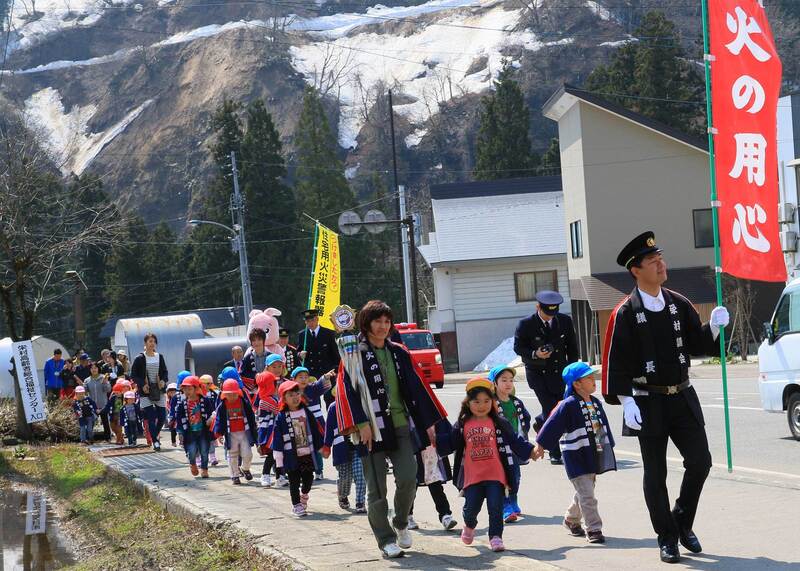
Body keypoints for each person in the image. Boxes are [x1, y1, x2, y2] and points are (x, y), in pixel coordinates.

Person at [602, 231, 729, 563]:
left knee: (701, 461)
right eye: (652, 261)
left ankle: (682, 521)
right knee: (655, 473)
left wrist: (714, 327)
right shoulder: (626, 312)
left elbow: (697, 346)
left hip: (682, 396)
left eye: (661, 259)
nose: (661, 265)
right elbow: (615, 360)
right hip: (648, 401)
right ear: (636, 270)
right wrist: (626, 400)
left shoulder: (678, 303)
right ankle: (667, 536)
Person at [335, 300, 447, 558]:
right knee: (377, 488)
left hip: (399, 424)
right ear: (366, 323)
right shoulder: (354, 354)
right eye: (378, 321)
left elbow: (418, 388)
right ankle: (385, 539)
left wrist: (428, 423)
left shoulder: (399, 352)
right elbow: (346, 389)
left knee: (409, 477)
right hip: (371, 428)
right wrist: (360, 423)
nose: (383, 327)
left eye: (387, 321)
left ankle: (400, 521)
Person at [437, 378, 537, 552]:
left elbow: (515, 440)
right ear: (468, 403)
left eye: (486, 401)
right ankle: (469, 525)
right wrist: (434, 440)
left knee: (495, 507)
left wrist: (531, 451)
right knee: (471, 508)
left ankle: (496, 537)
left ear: (493, 402)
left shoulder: (499, 422)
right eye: (476, 401)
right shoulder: (462, 424)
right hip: (473, 476)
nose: (482, 405)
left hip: (496, 475)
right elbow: (450, 443)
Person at [535, 362, 616, 544]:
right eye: (588, 378)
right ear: (576, 384)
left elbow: (602, 427)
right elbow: (551, 425)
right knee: (587, 494)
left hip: (593, 452)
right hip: (575, 455)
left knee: (585, 491)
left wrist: (608, 445)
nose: (593, 380)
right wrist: (540, 445)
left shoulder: (595, 402)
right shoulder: (568, 404)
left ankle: (571, 520)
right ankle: (594, 529)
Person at [513, 290, 579, 464]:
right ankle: (555, 452)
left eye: (553, 313)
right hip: (538, 374)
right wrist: (535, 354)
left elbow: (572, 348)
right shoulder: (526, 324)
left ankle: (541, 422)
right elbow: (518, 347)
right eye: (547, 313)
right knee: (552, 410)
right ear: (538, 307)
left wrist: (573, 372)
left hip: (560, 373)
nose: (550, 317)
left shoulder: (564, 321)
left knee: (560, 407)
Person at [272, 380, 325, 517]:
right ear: (283, 398)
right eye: (290, 395)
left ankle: (304, 495)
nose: (295, 397)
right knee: (294, 482)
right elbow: (277, 438)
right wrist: (278, 458)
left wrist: (321, 447)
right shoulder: (282, 417)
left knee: (308, 479)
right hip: (291, 456)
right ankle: (296, 505)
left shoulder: (305, 411)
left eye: (297, 393)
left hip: (307, 453)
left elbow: (315, 429)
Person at [488, 364, 531, 523]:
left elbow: (525, 418)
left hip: (514, 445)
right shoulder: (491, 403)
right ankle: (505, 506)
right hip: (497, 447)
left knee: (516, 476)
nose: (508, 383)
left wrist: (522, 434)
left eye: (511, 380)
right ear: (494, 383)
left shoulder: (516, 402)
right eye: (503, 380)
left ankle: (513, 500)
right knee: (502, 476)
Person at [322, 387, 366, 513]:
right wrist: (326, 446)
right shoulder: (333, 408)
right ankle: (343, 495)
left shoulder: (358, 405)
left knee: (360, 475)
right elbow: (329, 429)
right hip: (341, 449)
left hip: (358, 446)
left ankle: (360, 502)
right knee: (345, 477)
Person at [408, 418, 457, 532]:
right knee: (410, 486)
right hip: (412, 447)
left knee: (435, 484)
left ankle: (445, 515)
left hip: (430, 448)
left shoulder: (429, 402)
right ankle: (406, 516)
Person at [290, 365, 332, 480]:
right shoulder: (291, 391)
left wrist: (325, 377)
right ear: (294, 379)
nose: (304, 379)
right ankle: (306, 471)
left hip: (316, 422)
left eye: (305, 377)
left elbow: (320, 385)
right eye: (300, 377)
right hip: (300, 423)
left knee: (317, 447)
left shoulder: (312, 388)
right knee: (303, 448)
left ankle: (319, 470)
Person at [213, 378, 258, 485]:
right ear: (224, 394)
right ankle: (235, 476)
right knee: (232, 455)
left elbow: (251, 417)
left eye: (234, 394)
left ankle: (245, 468)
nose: (232, 396)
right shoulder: (222, 406)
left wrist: (254, 431)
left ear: (238, 392)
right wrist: (218, 433)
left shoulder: (244, 403)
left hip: (244, 433)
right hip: (230, 434)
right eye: (229, 394)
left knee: (248, 454)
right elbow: (219, 420)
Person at [130, 333, 169, 451]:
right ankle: (156, 441)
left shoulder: (159, 356)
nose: (152, 343)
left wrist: (163, 380)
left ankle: (154, 435)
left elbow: (165, 372)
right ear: (145, 343)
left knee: (162, 416)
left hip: (158, 390)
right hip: (146, 391)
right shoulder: (139, 358)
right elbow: (133, 375)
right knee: (151, 417)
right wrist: (142, 384)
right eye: (150, 341)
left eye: (154, 341)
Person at [297, 309, 340, 405]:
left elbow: (335, 354)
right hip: (311, 372)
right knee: (313, 400)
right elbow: (298, 352)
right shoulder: (302, 335)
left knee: (330, 399)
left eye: (312, 320)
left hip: (327, 371)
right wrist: (300, 354)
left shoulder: (328, 333)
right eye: (307, 321)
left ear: (317, 319)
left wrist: (337, 370)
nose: (310, 323)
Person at [175, 376, 214, 478]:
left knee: (204, 451)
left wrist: (210, 420)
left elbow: (212, 412)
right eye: (184, 389)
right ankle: (193, 464)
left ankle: (204, 469)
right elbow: (179, 419)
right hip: (189, 432)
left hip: (203, 431)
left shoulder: (205, 401)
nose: (187, 391)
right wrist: (180, 433)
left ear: (196, 389)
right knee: (191, 451)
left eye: (189, 389)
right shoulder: (182, 404)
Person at [254, 371, 281, 488]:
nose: (276, 385)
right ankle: (265, 475)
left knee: (279, 454)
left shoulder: (268, 397)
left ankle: (281, 477)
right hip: (269, 432)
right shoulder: (266, 400)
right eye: (274, 383)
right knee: (273, 454)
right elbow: (278, 410)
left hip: (273, 431)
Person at [83, 362, 112, 442]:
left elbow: (108, 390)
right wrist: (83, 386)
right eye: (92, 368)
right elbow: (85, 392)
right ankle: (90, 438)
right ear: (90, 369)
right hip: (92, 406)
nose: (94, 369)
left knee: (105, 422)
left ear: (98, 368)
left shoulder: (103, 377)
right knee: (91, 422)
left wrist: (105, 382)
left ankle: (108, 438)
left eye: (95, 368)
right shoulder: (87, 380)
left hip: (103, 404)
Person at [241, 329, 270, 402]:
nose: (256, 343)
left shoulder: (271, 356)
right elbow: (243, 374)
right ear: (251, 342)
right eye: (254, 340)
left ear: (264, 340)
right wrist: (256, 376)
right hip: (254, 392)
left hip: (270, 390)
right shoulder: (247, 358)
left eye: (259, 339)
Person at [200, 374, 221, 466]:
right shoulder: (198, 395)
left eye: (211, 383)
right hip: (199, 421)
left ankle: (212, 457)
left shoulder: (214, 394)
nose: (210, 385)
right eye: (208, 383)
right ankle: (200, 458)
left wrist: (215, 416)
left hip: (211, 419)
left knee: (211, 439)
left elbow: (217, 405)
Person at [166, 383, 179, 447]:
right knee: (173, 430)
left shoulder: (178, 398)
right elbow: (169, 408)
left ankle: (182, 441)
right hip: (171, 416)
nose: (172, 393)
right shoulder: (168, 400)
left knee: (181, 429)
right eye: (170, 391)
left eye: (174, 391)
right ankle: (173, 441)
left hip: (178, 415)